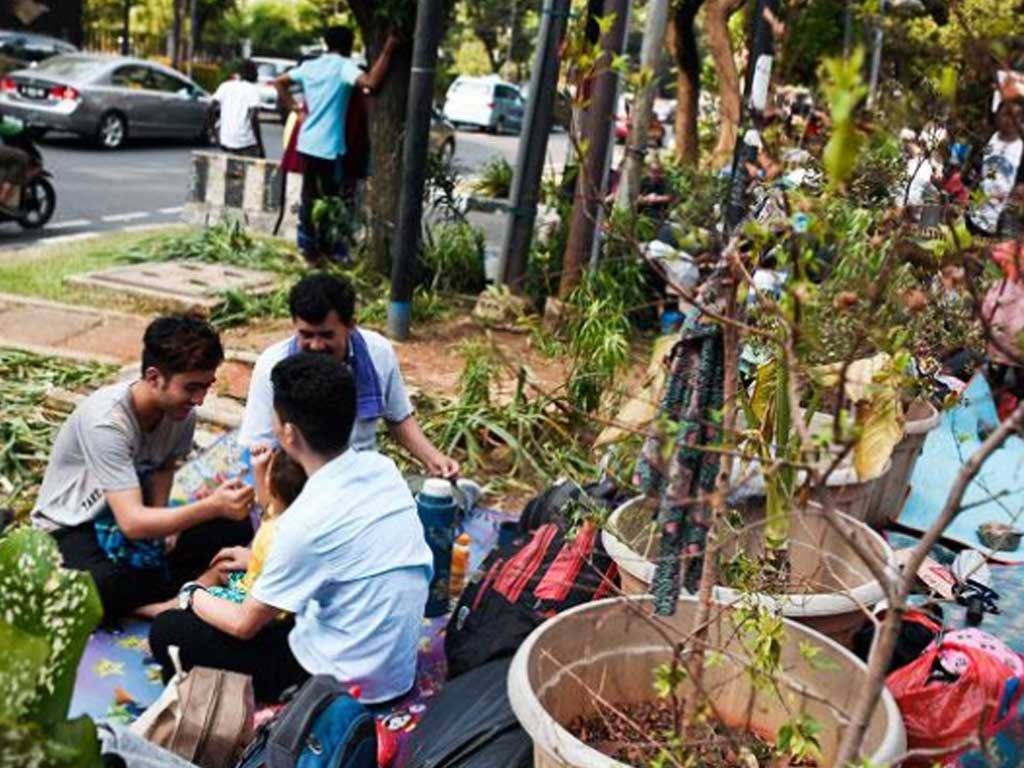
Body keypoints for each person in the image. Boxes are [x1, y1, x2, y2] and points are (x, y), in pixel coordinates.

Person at [149, 353, 434, 703]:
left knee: (168, 631)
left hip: (338, 685)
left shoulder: (304, 523)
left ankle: (279, 693)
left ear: (288, 432)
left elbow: (243, 623)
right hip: (393, 671)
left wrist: (192, 594)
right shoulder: (382, 470)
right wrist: (256, 555)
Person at [32, 315, 255, 622]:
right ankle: (157, 602)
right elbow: (133, 523)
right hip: (75, 524)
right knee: (97, 586)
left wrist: (167, 527)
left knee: (235, 525)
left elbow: (164, 466)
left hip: (132, 509)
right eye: (191, 387)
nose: (200, 399)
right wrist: (210, 507)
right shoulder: (107, 421)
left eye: (206, 386)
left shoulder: (181, 412)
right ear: (153, 377)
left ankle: (161, 590)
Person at [238, 272, 459, 478]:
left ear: (351, 325)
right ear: (294, 325)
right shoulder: (272, 366)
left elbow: (398, 418)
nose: (315, 345)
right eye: (306, 335)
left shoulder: (378, 353)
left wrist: (434, 458)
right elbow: (258, 446)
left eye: (326, 335)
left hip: (362, 474)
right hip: (301, 480)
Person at [274, 26, 399, 262]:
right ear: (349, 45)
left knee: (309, 197)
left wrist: (296, 109)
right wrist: (388, 51)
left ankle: (310, 251)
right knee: (332, 199)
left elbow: (279, 82)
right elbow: (371, 83)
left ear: (326, 43)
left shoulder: (310, 66)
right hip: (330, 147)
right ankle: (329, 250)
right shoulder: (344, 67)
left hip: (307, 141)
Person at [207, 445, 306, 604]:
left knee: (206, 594)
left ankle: (177, 604)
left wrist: (193, 594)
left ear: (272, 489)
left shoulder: (277, 534)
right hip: (256, 581)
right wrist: (259, 466)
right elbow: (265, 501)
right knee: (222, 568)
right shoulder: (284, 512)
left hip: (255, 598)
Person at [967, 97, 1024, 238]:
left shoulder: (1022, 149)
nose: (1010, 120)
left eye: (1017, 116)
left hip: (1002, 225)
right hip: (973, 216)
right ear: (997, 114)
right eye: (1007, 114)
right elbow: (973, 171)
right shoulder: (985, 139)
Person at [211, 59, 264, 158]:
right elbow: (253, 119)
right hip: (245, 143)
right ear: (252, 73)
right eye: (256, 72)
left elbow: (209, 109)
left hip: (225, 141)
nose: (257, 75)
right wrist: (260, 147)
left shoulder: (225, 86)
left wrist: (215, 135)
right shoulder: (252, 90)